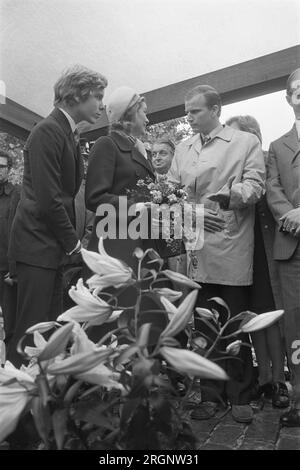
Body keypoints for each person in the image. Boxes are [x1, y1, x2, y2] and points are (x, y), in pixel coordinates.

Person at [168, 84, 265, 423]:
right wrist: (187, 212)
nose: (188, 117)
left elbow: (256, 184)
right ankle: (211, 395)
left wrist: (229, 195)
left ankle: (239, 393)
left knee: (235, 324)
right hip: (195, 248)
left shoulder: (245, 143)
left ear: (215, 109)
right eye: (187, 110)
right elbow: (170, 193)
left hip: (231, 244)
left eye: (195, 111)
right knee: (203, 328)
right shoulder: (183, 148)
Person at [7, 65, 107, 366]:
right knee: (29, 333)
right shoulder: (47, 131)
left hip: (50, 250)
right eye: (98, 96)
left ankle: (41, 402)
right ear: (75, 95)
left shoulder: (68, 133)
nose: (102, 105)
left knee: (48, 332)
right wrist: (74, 246)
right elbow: (49, 199)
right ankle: (17, 407)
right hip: (37, 247)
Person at [226, 115, 289, 409]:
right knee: (251, 318)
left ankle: (278, 381)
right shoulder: (231, 167)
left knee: (270, 318)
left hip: (265, 251)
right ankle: (262, 378)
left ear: (252, 137)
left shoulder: (266, 160)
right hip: (239, 251)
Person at [266, 68, 300, 427]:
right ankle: (299, 401)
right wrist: (291, 214)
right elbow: (271, 187)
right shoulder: (277, 146)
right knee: (295, 325)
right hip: (292, 247)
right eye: (297, 90)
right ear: (289, 98)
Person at [0, 151, 20, 347]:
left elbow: (21, 234)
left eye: (2, 166)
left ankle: (9, 370)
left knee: (11, 326)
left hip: (6, 272)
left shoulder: (17, 195)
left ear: (9, 169)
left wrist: (14, 272)